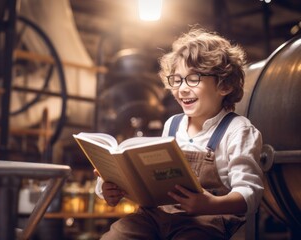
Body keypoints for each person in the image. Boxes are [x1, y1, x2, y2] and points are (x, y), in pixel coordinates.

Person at [94, 26, 264, 239]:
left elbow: (251, 193)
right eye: (176, 79)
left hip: (206, 220)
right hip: (156, 215)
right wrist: (112, 186)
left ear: (225, 85)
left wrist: (211, 204)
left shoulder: (238, 130)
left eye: (193, 79)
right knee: (115, 236)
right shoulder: (172, 125)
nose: (182, 88)